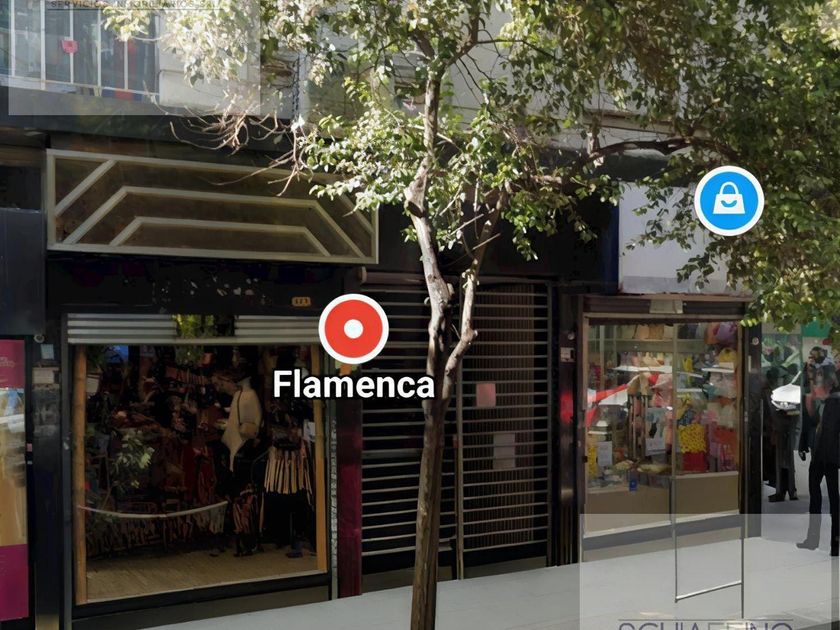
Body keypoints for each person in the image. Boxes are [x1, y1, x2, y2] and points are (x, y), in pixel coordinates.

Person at [798, 366, 840, 556]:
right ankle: (813, 539)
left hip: (829, 457)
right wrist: (809, 405)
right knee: (816, 498)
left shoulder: (835, 403)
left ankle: (835, 543)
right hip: (819, 456)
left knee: (833, 500)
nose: (815, 387)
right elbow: (814, 424)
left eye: (818, 383)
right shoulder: (823, 403)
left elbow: (829, 432)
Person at [764, 368, 798, 501]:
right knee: (782, 462)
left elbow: (791, 412)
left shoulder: (780, 392)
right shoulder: (773, 391)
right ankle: (785, 490)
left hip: (783, 430)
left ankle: (787, 490)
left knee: (784, 461)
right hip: (780, 429)